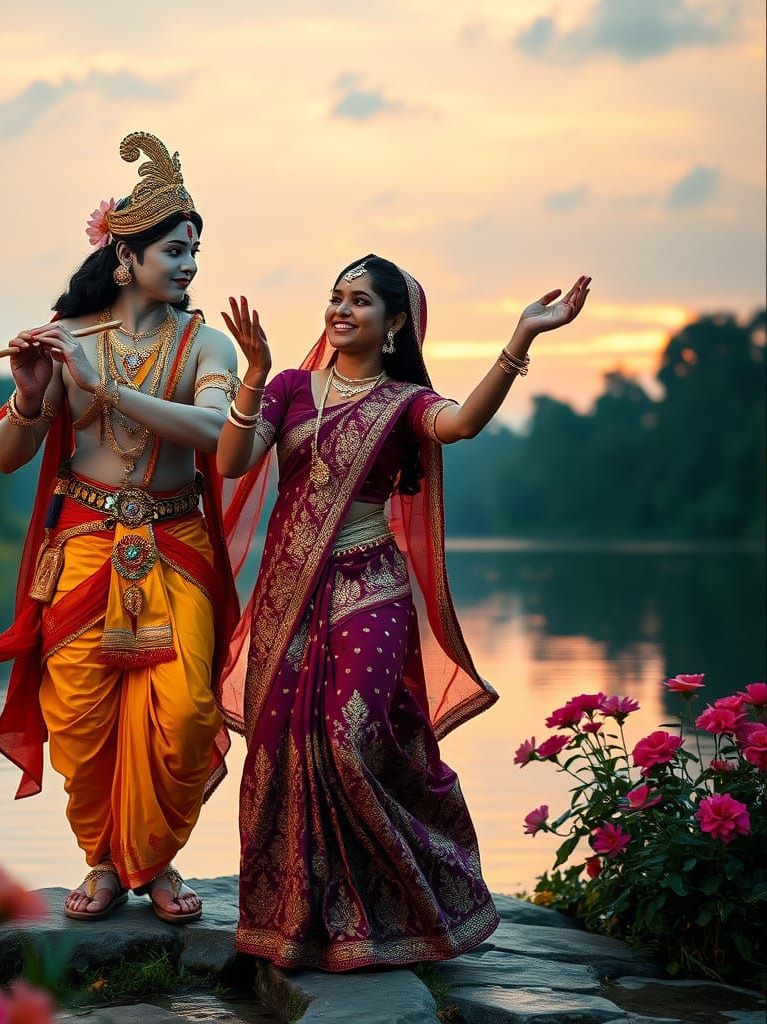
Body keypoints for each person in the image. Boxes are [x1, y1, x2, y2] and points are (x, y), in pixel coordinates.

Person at [216, 255, 590, 970]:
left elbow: (461, 425)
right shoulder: (291, 388)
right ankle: (289, 923)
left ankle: (404, 908)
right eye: (335, 296)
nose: (341, 308)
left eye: (360, 300)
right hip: (289, 594)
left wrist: (520, 341)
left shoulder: (401, 404)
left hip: (368, 588)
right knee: (281, 749)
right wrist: (254, 372)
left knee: (354, 739)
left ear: (393, 325)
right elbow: (235, 462)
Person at [0, 132, 241, 924]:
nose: (190, 264)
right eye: (174, 249)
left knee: (187, 713)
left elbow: (215, 435)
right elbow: (6, 458)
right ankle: (106, 863)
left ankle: (159, 860)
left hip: (176, 547)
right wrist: (32, 396)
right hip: (83, 548)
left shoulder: (207, 344)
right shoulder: (68, 341)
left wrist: (107, 390)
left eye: (196, 250)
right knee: (81, 714)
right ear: (125, 258)